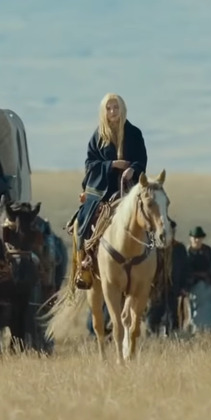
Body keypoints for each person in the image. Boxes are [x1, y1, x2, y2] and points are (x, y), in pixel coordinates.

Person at [72, 93, 148, 289]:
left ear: (122, 109)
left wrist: (133, 169)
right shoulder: (98, 136)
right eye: (109, 108)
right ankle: (85, 263)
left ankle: (158, 267)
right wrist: (111, 165)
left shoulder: (134, 133)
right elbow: (90, 164)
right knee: (82, 221)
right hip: (102, 191)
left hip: (130, 189)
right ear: (104, 111)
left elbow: (142, 159)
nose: (113, 111)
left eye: (116, 107)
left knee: (155, 215)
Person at [146, 219, 189, 335]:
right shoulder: (155, 249)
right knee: (152, 318)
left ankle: (173, 341)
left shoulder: (179, 248)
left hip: (173, 288)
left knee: (173, 317)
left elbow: (185, 269)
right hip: (157, 288)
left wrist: (184, 286)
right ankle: (153, 339)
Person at [185, 226, 211, 332]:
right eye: (195, 238)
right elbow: (182, 272)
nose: (197, 240)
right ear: (190, 238)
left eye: (199, 238)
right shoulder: (186, 253)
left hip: (208, 289)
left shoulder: (209, 252)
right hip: (190, 290)